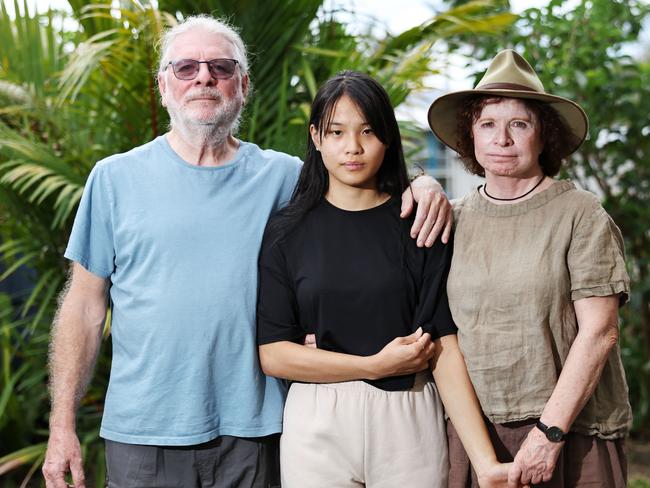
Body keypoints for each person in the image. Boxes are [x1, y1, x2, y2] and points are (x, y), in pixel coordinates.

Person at [41, 15, 452, 488]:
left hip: (258, 432)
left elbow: (361, 190)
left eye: (220, 66)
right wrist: (61, 427)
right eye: (186, 68)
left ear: (243, 83)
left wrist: (422, 183)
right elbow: (84, 309)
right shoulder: (114, 178)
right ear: (163, 85)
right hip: (145, 434)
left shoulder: (285, 178)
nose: (203, 77)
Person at [256, 71, 514, 488]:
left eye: (368, 131)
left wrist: (486, 464)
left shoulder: (419, 223)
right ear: (316, 138)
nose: (352, 147)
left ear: (388, 139)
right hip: (316, 418)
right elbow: (274, 354)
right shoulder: (286, 232)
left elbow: (443, 345)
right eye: (336, 132)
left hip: (408, 415)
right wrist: (372, 366)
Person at [427, 49, 632, 488]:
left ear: (545, 136)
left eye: (518, 124)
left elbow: (600, 332)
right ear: (470, 136)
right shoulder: (452, 218)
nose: (502, 139)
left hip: (570, 432)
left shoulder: (580, 213)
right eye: (487, 124)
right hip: (477, 436)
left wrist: (548, 435)